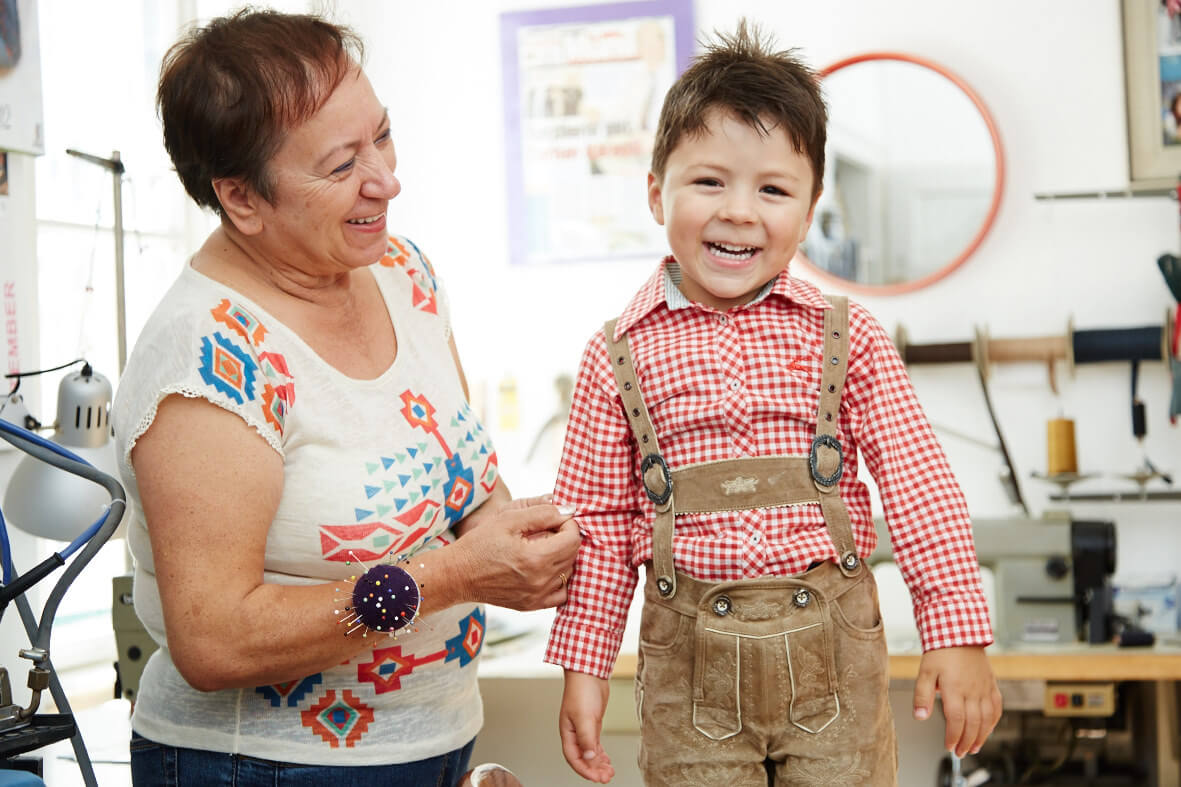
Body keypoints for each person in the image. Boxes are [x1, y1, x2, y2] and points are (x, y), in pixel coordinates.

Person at [110, 9, 579, 786]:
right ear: (241, 198)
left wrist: (530, 540)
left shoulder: (403, 273)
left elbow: (461, 495)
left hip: (438, 743)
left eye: (382, 137)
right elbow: (212, 642)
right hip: (263, 765)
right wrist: (458, 577)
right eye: (340, 166)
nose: (385, 180)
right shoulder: (208, 354)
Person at [544, 21, 1002, 786]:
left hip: (835, 663)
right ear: (656, 190)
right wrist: (583, 667)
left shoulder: (847, 335)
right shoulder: (613, 352)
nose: (739, 211)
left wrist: (954, 635)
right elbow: (594, 522)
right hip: (686, 679)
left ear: (811, 203)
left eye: (773, 189)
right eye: (708, 181)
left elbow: (921, 490)